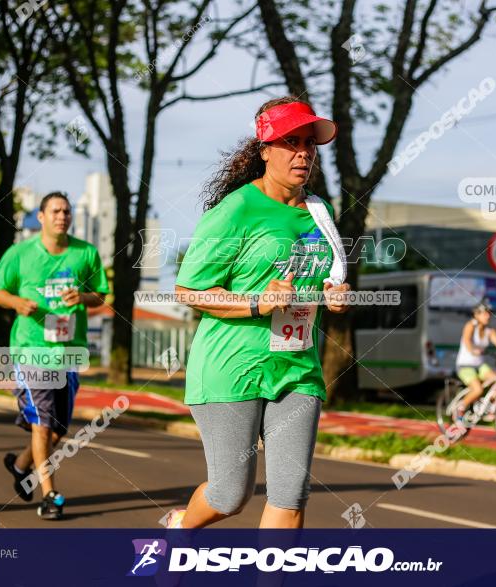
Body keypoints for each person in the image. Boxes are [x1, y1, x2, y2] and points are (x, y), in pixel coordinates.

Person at [167, 96, 350, 530]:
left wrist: (335, 293)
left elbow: (321, 280)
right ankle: (179, 528)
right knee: (230, 496)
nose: (303, 152)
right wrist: (256, 302)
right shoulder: (237, 210)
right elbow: (188, 290)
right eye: (291, 142)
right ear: (265, 148)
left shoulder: (320, 213)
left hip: (297, 367)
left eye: (309, 143)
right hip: (233, 369)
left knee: (290, 496)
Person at [0, 192, 108, 520]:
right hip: (31, 351)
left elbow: (102, 295)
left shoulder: (86, 253)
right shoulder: (20, 253)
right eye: (55, 211)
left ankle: (20, 465)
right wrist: (16, 303)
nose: (62, 216)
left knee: (57, 431)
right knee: (41, 426)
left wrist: (83, 297)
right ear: (41, 217)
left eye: (67, 211)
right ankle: (50, 495)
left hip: (69, 353)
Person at [454, 299, 496, 419]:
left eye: (488, 313)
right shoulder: (470, 325)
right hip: (465, 365)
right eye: (484, 313)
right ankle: (459, 408)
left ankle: (489, 409)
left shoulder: (489, 331)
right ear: (476, 315)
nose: (487, 315)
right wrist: (473, 350)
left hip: (480, 366)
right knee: (478, 389)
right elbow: (467, 340)